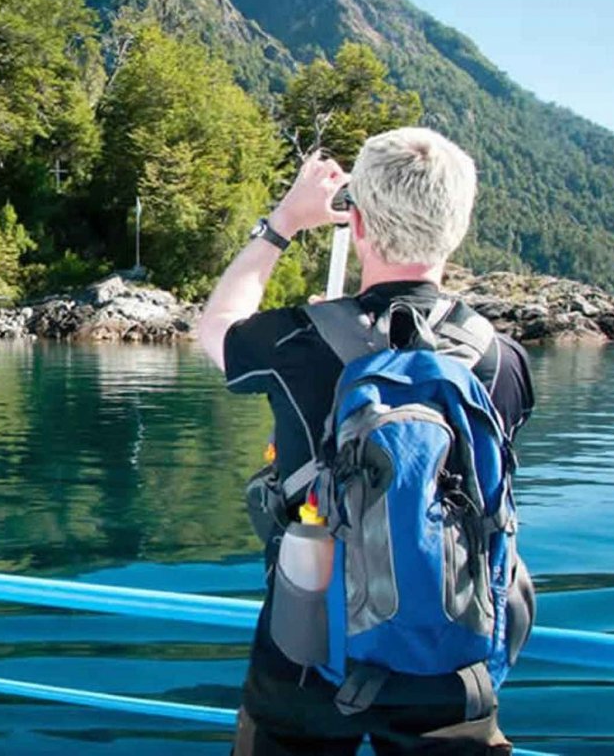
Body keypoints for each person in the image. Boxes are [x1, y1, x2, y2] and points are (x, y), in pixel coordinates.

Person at [196, 128, 534, 756]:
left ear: (357, 226)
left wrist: (281, 225)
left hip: (307, 657)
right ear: (455, 228)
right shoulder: (501, 360)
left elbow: (214, 328)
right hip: (453, 657)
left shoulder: (297, 341)